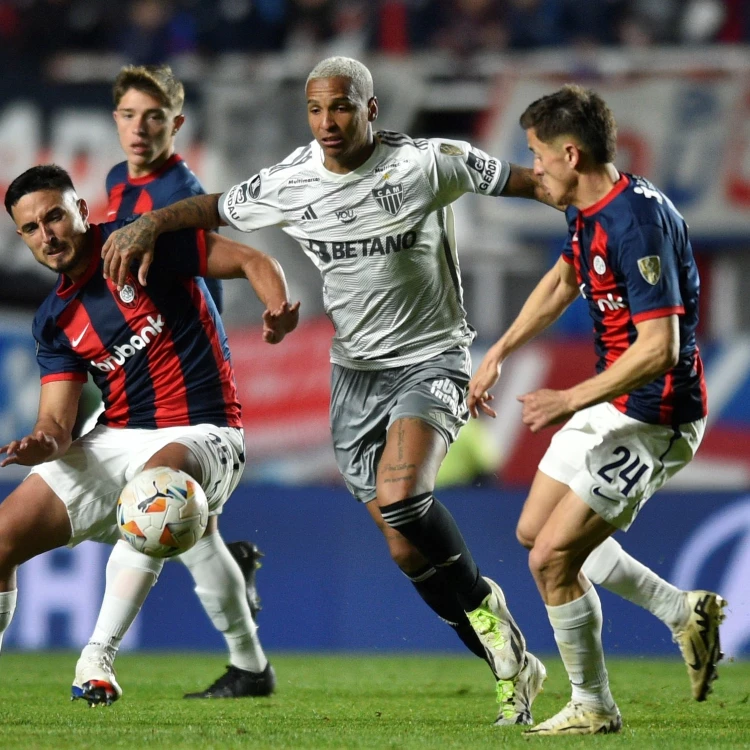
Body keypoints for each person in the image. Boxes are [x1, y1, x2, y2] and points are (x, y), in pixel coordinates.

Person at [97, 55, 560, 727]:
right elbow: (215, 206)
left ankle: (497, 624)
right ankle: (507, 665)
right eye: (315, 110)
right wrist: (151, 224)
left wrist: (600, 204)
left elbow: (532, 183)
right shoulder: (292, 180)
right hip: (355, 378)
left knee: (405, 500)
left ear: (371, 109)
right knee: (405, 548)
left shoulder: (430, 163)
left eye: (340, 107)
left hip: (431, 358)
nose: (327, 122)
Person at [468, 84, 727, 735]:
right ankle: (680, 611)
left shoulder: (635, 222)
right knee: (535, 533)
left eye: (537, 154)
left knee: (551, 558)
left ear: (571, 153)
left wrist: (569, 397)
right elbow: (562, 281)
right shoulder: (588, 209)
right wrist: (498, 350)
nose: (533, 168)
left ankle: (593, 705)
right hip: (612, 402)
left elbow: (661, 347)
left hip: (657, 417)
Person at [0, 165, 299, 706]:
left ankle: (97, 659)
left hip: (208, 430)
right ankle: (251, 665)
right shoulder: (54, 319)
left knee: (156, 495)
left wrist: (276, 307)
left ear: (81, 212)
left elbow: (254, 259)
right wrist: (38, 444)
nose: (47, 235)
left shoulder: (140, 240)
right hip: (119, 434)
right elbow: (57, 425)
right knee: (1, 539)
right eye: (31, 228)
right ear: (21, 237)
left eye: (54, 217)